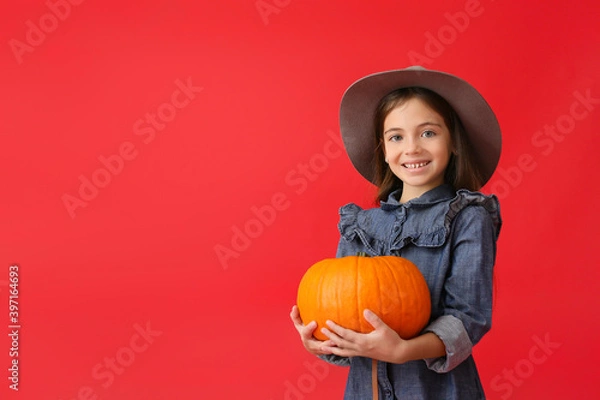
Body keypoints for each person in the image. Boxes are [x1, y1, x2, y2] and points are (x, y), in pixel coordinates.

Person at [290, 66, 502, 399]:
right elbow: (342, 312)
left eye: (428, 133)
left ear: (454, 142)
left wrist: (403, 350)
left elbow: (468, 317)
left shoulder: (468, 217)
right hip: (367, 390)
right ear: (384, 151)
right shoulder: (359, 226)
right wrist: (322, 338)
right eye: (397, 136)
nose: (412, 148)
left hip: (437, 391)